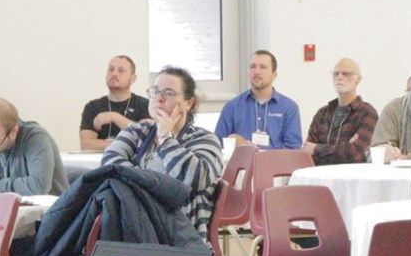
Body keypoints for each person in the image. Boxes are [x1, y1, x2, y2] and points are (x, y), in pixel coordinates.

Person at [102, 66, 224, 236]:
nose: (159, 98)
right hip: (133, 214)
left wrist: (165, 137)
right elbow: (110, 162)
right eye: (155, 91)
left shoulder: (205, 139)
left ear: (189, 103)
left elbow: (195, 178)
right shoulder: (137, 131)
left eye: (168, 93)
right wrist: (152, 182)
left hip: (177, 229)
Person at [213, 50, 302, 150]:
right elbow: (217, 144)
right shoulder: (232, 107)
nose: (256, 71)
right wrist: (237, 144)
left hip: (276, 164)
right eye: (252, 67)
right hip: (242, 164)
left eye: (263, 67)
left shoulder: (289, 108)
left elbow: (293, 149)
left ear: (274, 75)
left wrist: (263, 158)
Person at [303, 57, 379, 165]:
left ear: (358, 79)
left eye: (346, 74)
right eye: (336, 74)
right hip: (320, 177)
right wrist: (343, 148)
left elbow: (356, 153)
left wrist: (317, 149)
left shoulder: (367, 113)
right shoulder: (322, 113)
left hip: (352, 179)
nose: (339, 77)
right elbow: (307, 152)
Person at [77, 54, 150, 151]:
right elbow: (86, 145)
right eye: (111, 69)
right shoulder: (93, 107)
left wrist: (114, 117)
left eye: (121, 70)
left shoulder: (145, 104)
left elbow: (146, 139)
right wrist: (126, 143)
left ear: (133, 78)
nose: (114, 74)